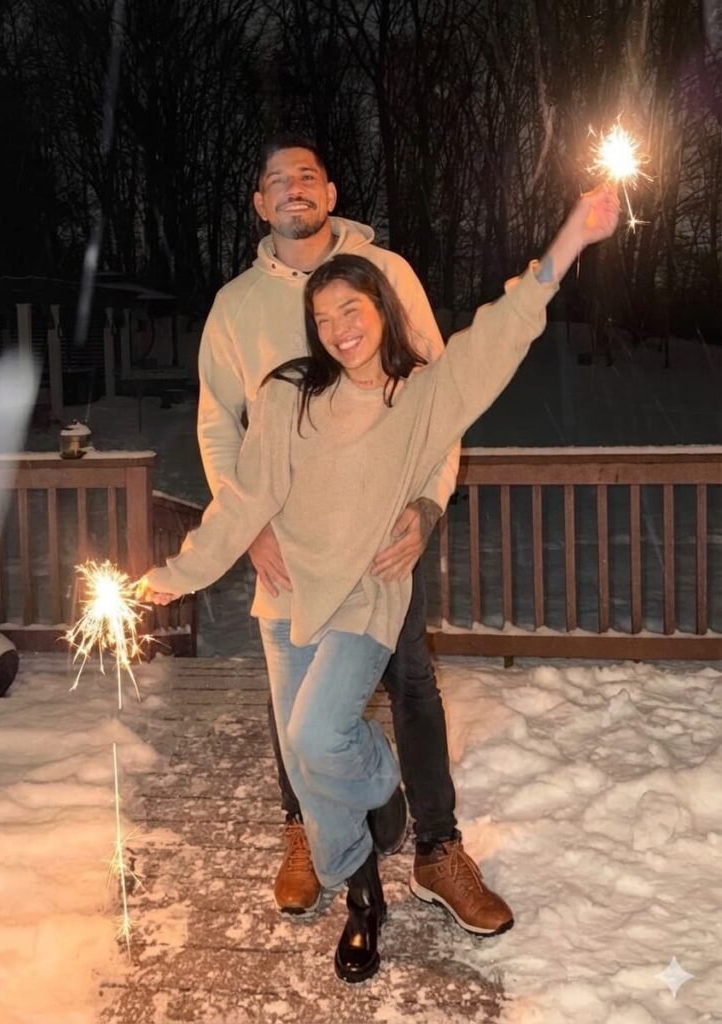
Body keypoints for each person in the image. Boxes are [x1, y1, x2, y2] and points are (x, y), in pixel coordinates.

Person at [139, 184, 621, 983]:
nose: (339, 327)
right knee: (307, 761)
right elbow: (245, 501)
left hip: (366, 594)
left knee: (316, 739)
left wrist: (570, 236)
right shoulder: (288, 394)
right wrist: (171, 576)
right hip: (290, 590)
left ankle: (383, 785)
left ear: (381, 306)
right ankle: (364, 894)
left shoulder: (420, 396)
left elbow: (500, 334)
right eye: (324, 319)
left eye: (351, 308)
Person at [193, 133, 513, 940]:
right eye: (275, 181)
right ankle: (306, 827)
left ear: (330, 192)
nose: (292, 188)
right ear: (260, 205)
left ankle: (437, 848)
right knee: (293, 698)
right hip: (286, 541)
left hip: (380, 536)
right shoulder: (236, 306)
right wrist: (247, 522)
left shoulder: (388, 274)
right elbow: (216, 425)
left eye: (306, 175)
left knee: (408, 679)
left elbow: (437, 393)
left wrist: (428, 508)